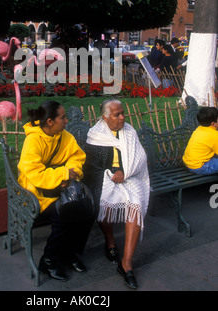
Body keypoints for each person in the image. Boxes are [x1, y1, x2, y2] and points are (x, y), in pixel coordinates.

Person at [18, 100, 93, 282]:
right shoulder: (33, 140)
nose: (66, 121)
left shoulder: (65, 136)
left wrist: (70, 175)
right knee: (64, 214)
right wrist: (64, 174)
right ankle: (49, 260)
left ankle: (70, 253)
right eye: (63, 117)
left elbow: (77, 158)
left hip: (62, 188)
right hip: (36, 192)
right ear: (50, 121)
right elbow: (34, 174)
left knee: (88, 210)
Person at [83, 99, 150, 289]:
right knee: (104, 200)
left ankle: (126, 264)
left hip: (130, 176)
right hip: (102, 177)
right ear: (105, 117)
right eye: (116, 114)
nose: (122, 117)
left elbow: (140, 158)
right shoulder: (95, 135)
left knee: (135, 203)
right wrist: (111, 173)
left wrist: (125, 172)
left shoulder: (129, 131)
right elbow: (92, 167)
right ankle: (110, 241)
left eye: (122, 113)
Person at [183, 107, 218, 175]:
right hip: (201, 167)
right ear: (213, 124)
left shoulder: (200, 128)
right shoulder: (214, 135)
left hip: (190, 163)